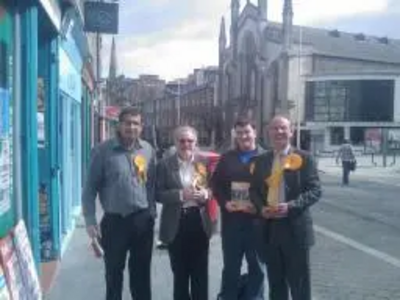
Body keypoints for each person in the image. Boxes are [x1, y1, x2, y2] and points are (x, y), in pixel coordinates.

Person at [81, 107, 156, 300]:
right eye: (128, 123)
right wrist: (90, 220)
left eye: (136, 123)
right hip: (115, 223)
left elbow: (152, 185)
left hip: (142, 222)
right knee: (114, 275)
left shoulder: (147, 150)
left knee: (141, 274)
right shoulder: (103, 151)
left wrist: (151, 213)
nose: (132, 127)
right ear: (119, 125)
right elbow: (90, 188)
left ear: (141, 127)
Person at [249, 115, 322, 300]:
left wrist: (291, 206)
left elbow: (315, 190)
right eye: (275, 128)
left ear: (291, 132)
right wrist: (261, 208)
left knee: (299, 286)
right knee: (276, 284)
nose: (279, 132)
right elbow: (254, 190)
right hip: (270, 230)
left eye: (283, 128)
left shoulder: (304, 158)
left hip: (295, 229)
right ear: (268, 132)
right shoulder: (261, 160)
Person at [156, 126, 214, 300]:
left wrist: (206, 194)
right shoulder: (165, 164)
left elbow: (212, 188)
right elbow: (157, 194)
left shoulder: (203, 162)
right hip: (176, 223)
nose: (186, 144)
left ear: (196, 143)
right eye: (181, 140)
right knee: (180, 274)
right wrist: (181, 195)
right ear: (175, 142)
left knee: (200, 274)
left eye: (190, 141)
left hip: (199, 221)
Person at [211, 117, 266, 300]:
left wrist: (258, 208)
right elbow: (216, 185)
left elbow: (274, 190)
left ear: (255, 132)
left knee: (257, 267)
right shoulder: (227, 158)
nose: (243, 136)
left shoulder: (266, 158)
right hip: (232, 223)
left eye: (247, 132)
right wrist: (224, 202)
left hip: (257, 224)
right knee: (231, 267)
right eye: (239, 133)